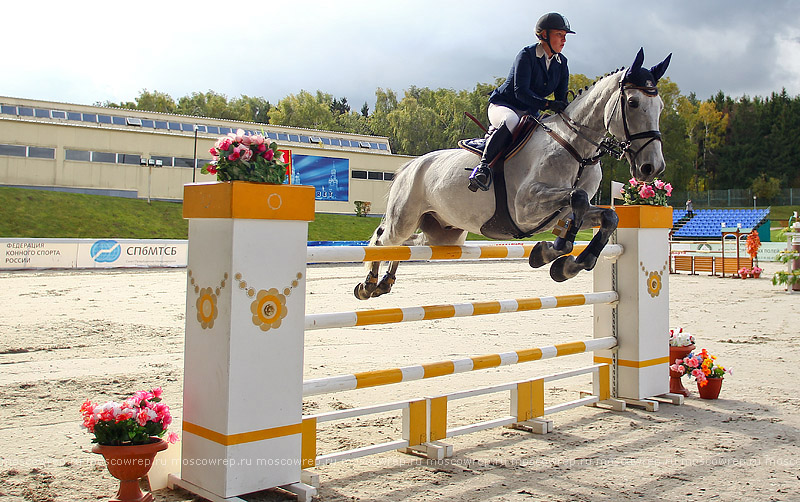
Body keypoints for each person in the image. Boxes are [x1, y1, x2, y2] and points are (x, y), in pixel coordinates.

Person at [468, 12, 574, 192]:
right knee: (511, 121)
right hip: (504, 105)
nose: (564, 40)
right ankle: (483, 168)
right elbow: (521, 93)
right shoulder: (526, 55)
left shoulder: (561, 63)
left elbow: (561, 98)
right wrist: (548, 105)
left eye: (564, 36)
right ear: (544, 35)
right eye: (559, 35)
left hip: (530, 113)